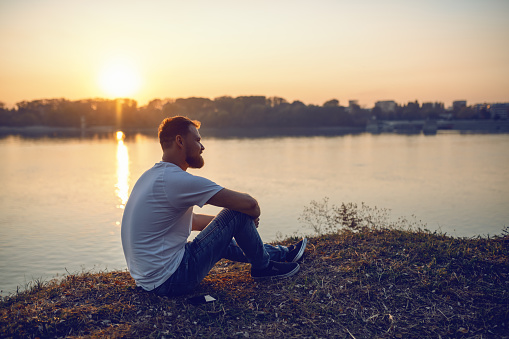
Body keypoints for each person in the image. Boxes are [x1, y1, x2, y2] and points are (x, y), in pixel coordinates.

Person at [121, 116, 307, 296]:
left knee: (227, 226)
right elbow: (250, 204)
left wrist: (231, 228)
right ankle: (264, 267)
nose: (202, 147)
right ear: (180, 141)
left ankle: (281, 254)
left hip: (149, 281)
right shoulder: (176, 180)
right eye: (197, 140)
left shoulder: (150, 176)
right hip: (172, 280)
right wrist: (247, 217)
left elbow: (191, 221)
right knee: (235, 212)